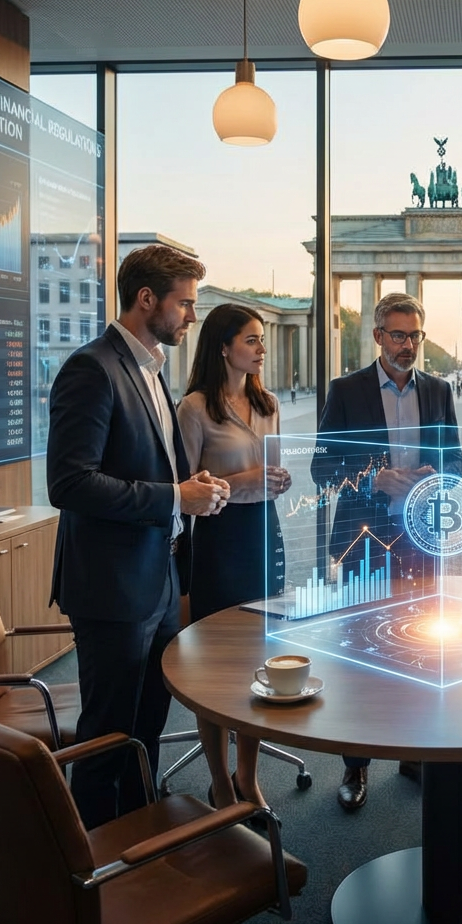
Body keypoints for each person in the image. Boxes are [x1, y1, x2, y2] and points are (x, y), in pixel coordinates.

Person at [48, 244, 230, 829]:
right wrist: (176, 497)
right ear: (147, 299)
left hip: (159, 578)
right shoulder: (92, 368)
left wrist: (191, 486)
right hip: (113, 588)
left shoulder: (152, 369)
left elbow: (149, 467)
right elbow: (70, 483)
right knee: (108, 736)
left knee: (146, 727)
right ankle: (92, 863)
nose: (193, 316)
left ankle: (139, 838)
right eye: (185, 303)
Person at [311, 292, 462, 811]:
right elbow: (322, 469)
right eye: (398, 335)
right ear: (378, 336)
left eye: (415, 335)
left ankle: (415, 752)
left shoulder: (439, 391)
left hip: (422, 541)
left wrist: (434, 477)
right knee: (362, 655)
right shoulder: (346, 391)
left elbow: (457, 461)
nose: (408, 345)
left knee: (421, 650)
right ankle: (356, 764)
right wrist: (376, 479)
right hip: (363, 542)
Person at [177, 303, 291, 815]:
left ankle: (248, 775)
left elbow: (273, 473)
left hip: (265, 533)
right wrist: (244, 482)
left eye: (262, 339)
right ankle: (219, 780)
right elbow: (184, 487)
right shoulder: (194, 408)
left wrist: (277, 480)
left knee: (259, 660)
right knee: (218, 667)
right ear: (223, 347)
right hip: (219, 542)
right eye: (251, 339)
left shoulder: (269, 403)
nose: (261, 348)